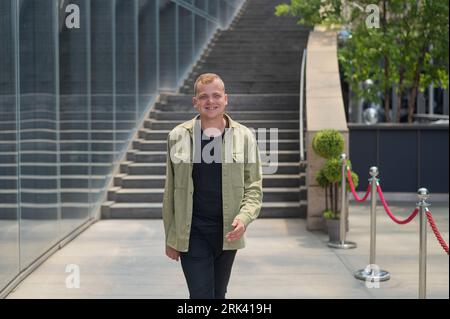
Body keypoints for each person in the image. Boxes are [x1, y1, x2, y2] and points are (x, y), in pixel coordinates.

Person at [162, 73, 263, 299]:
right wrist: (171, 237)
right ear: (195, 101)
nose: (211, 101)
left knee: (219, 294)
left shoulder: (244, 136)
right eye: (203, 96)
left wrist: (244, 218)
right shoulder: (177, 136)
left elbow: (254, 186)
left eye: (216, 95)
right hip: (192, 232)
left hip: (227, 232)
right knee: (201, 297)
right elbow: (170, 192)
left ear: (226, 99)